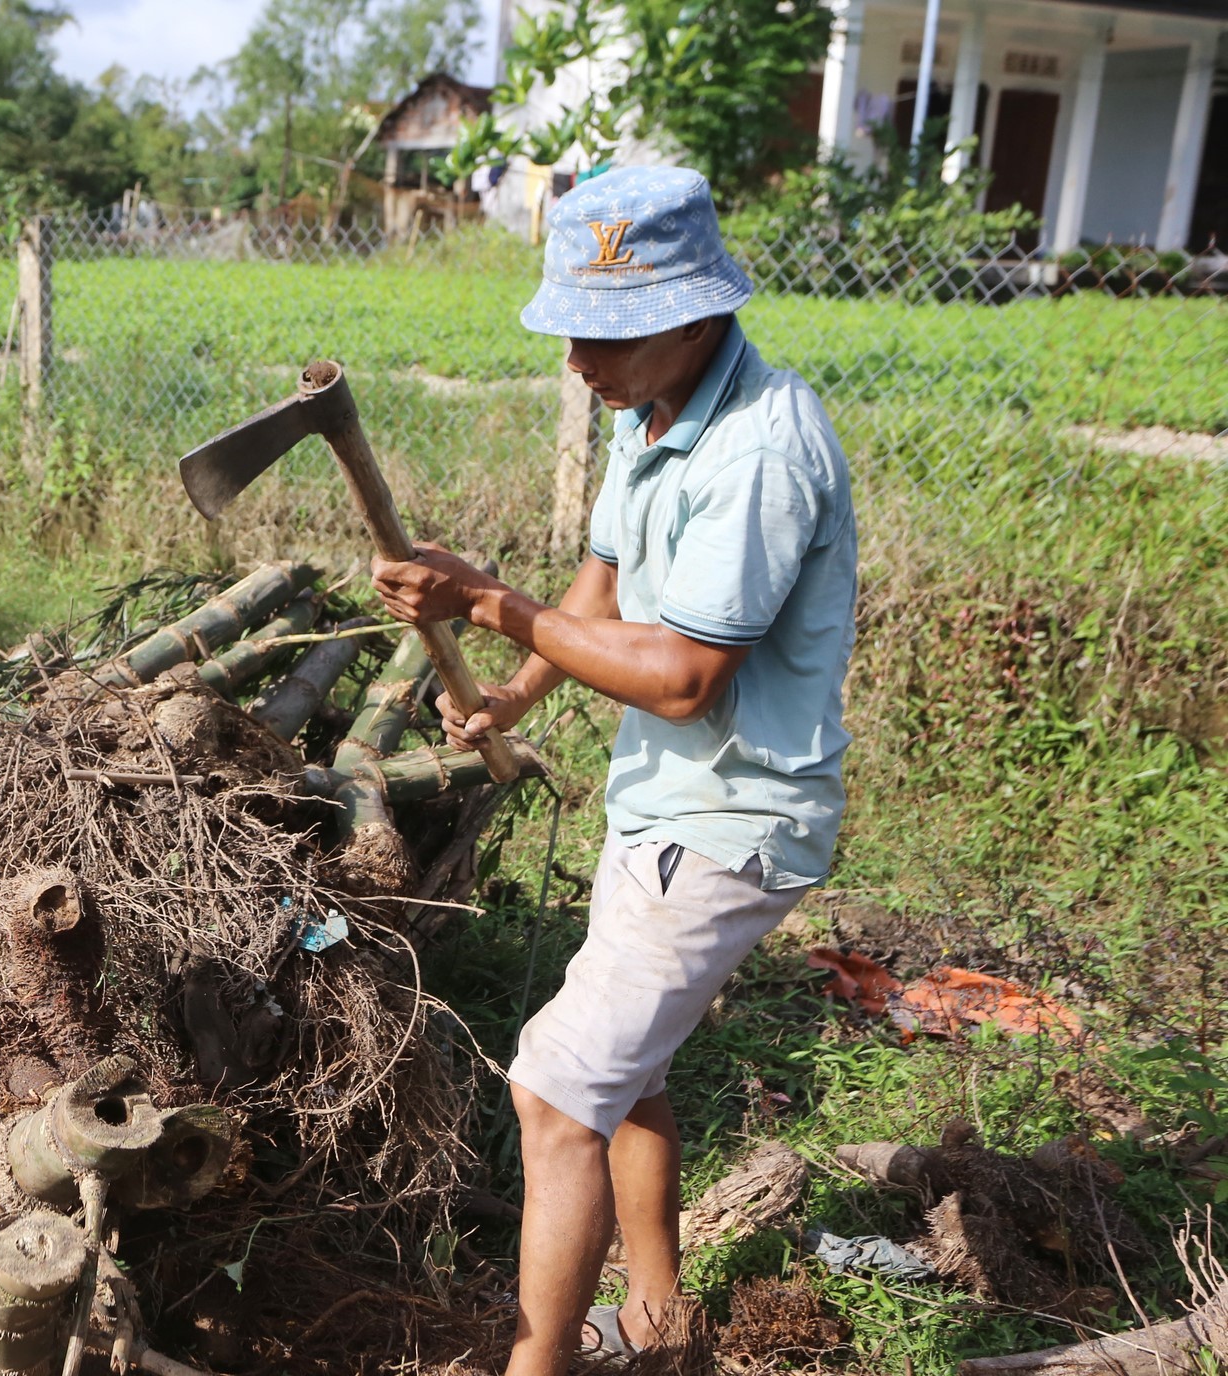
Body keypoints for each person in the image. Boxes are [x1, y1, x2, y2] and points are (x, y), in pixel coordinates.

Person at [371, 167, 857, 1374]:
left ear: (691, 317)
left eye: (604, 331)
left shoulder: (759, 447)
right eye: (571, 327)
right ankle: (656, 1319)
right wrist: (503, 690)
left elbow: (686, 674)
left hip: (733, 816)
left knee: (554, 1092)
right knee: (625, 1072)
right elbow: (599, 586)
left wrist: (487, 601)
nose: (577, 358)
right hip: (664, 801)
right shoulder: (652, 413)